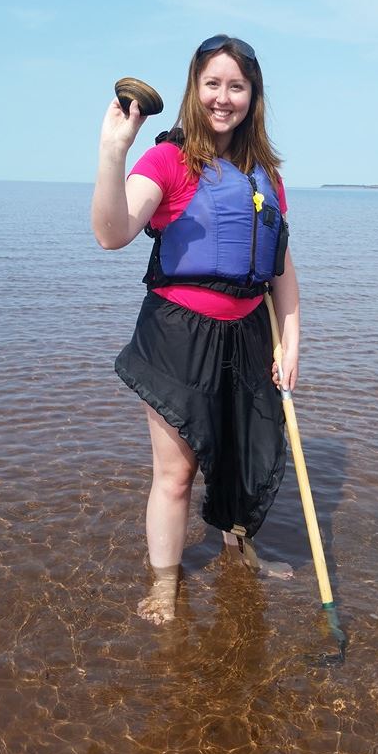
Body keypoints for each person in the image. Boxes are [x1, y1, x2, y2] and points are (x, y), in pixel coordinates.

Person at [91, 34, 300, 624]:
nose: (223, 97)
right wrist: (113, 151)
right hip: (179, 335)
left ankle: (239, 554)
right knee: (177, 473)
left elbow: (281, 268)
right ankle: (165, 583)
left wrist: (292, 341)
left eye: (236, 86)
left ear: (253, 94)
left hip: (250, 333)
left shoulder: (266, 174)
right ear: (195, 88)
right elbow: (111, 233)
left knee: (245, 458)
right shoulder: (168, 160)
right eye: (212, 84)